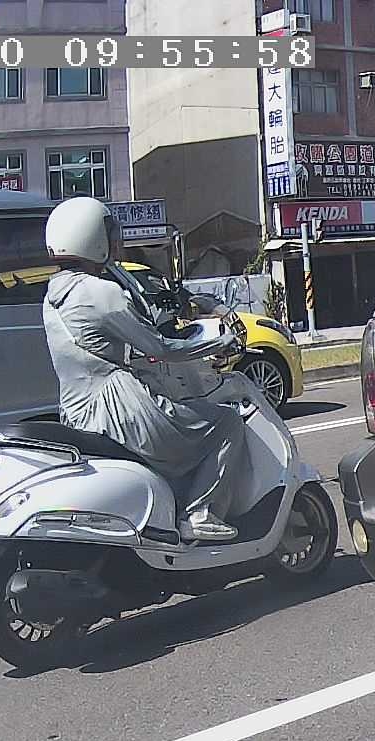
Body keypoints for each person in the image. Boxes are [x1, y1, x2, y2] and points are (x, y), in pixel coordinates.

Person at [41, 198, 249, 542]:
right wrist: (218, 342)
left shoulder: (53, 297)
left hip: (77, 413)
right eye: (110, 234)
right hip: (120, 410)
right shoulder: (102, 292)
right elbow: (162, 348)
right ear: (93, 238)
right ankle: (199, 513)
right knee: (226, 423)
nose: (117, 242)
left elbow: (97, 348)